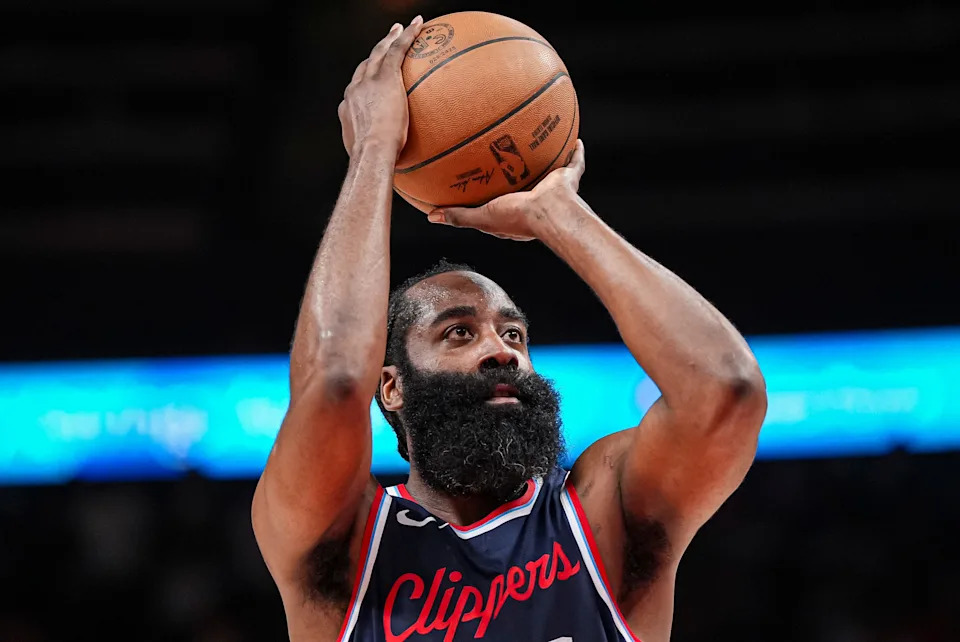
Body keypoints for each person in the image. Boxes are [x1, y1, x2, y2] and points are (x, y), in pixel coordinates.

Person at [252, 16, 767, 642]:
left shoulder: (599, 517)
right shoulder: (344, 537)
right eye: (458, 334)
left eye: (515, 334)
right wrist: (374, 150)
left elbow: (727, 388)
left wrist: (557, 212)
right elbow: (333, 382)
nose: (501, 352)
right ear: (390, 387)